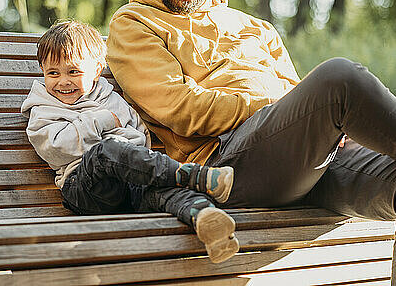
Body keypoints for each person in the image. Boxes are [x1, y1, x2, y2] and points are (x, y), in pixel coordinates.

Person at [106, 0, 396, 285]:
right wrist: (281, 106)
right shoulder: (134, 23)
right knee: (339, 78)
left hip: (301, 163)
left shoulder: (256, 28)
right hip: (227, 163)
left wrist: (318, 120)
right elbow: (183, 109)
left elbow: (300, 105)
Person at [21, 20, 239, 263]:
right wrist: (102, 124)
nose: (63, 81)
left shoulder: (111, 98)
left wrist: (123, 151)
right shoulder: (42, 109)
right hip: (85, 189)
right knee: (105, 152)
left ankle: (208, 220)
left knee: (162, 191)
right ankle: (193, 176)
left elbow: (139, 136)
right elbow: (56, 147)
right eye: (53, 73)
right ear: (42, 70)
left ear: (96, 70)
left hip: (128, 186)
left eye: (73, 72)